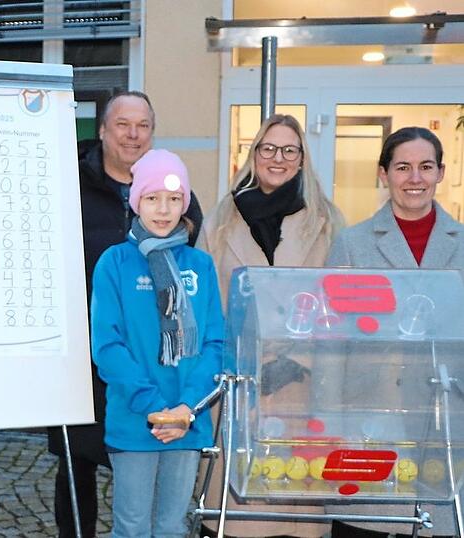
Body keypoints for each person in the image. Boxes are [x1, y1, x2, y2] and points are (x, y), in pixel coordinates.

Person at [50, 90, 204, 537]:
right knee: (76, 466)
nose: (133, 135)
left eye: (143, 126)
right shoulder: (69, 186)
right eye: (123, 124)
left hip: (153, 364)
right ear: (102, 130)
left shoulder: (179, 199)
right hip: (84, 354)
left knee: (144, 468)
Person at [197, 114, 343, 537]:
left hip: (300, 386)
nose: (277, 158)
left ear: (301, 160)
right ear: (254, 154)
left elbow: (337, 306)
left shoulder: (327, 223)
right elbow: (206, 305)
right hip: (239, 384)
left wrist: (296, 360)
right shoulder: (221, 220)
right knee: (239, 516)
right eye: (268, 148)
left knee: (293, 507)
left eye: (289, 150)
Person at [325, 126, 462, 538]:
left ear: (441, 172)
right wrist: (329, 420)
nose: (414, 178)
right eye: (402, 167)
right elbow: (330, 342)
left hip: (447, 425)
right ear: (383, 174)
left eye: (425, 167)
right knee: (368, 524)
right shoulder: (351, 244)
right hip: (369, 420)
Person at [91, 149, 223, 537]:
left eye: (173, 198)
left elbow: (216, 342)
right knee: (132, 527)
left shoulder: (200, 266)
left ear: (185, 202)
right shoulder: (114, 263)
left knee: (171, 526)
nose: (163, 210)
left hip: (188, 421)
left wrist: (186, 408)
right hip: (135, 420)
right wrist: (153, 408)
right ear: (136, 202)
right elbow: (108, 346)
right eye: (152, 198)